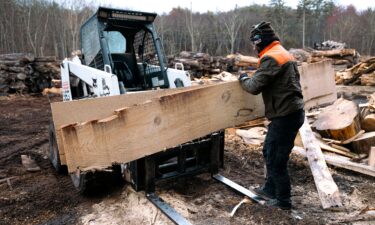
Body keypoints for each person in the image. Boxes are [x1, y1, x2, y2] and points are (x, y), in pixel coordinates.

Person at [238, 21, 305, 210]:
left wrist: (243, 78)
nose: (253, 47)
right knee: (269, 150)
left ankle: (283, 201)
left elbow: (253, 87)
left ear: (261, 41)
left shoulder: (271, 58)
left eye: (254, 43)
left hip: (285, 116)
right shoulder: (282, 52)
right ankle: (269, 188)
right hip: (289, 113)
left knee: (277, 159)